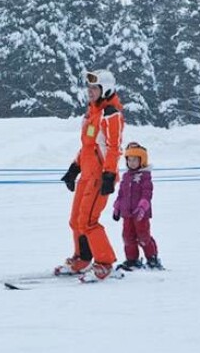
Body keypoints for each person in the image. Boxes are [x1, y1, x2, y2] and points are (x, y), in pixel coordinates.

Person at [56, 69, 124, 282]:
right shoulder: (92, 113)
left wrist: (109, 174)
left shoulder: (110, 114)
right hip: (86, 174)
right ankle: (82, 259)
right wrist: (73, 168)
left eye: (95, 88)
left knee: (88, 221)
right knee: (76, 220)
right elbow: (87, 146)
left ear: (106, 89)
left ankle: (105, 264)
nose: (90, 92)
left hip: (100, 177)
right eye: (89, 88)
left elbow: (114, 148)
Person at [112, 142, 163, 270]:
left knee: (143, 236)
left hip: (140, 214)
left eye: (135, 160)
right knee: (127, 237)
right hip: (127, 214)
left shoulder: (145, 177)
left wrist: (142, 207)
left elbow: (147, 194)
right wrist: (117, 207)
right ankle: (132, 260)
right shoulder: (126, 176)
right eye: (129, 160)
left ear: (142, 160)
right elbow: (121, 194)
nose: (132, 162)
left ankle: (152, 259)